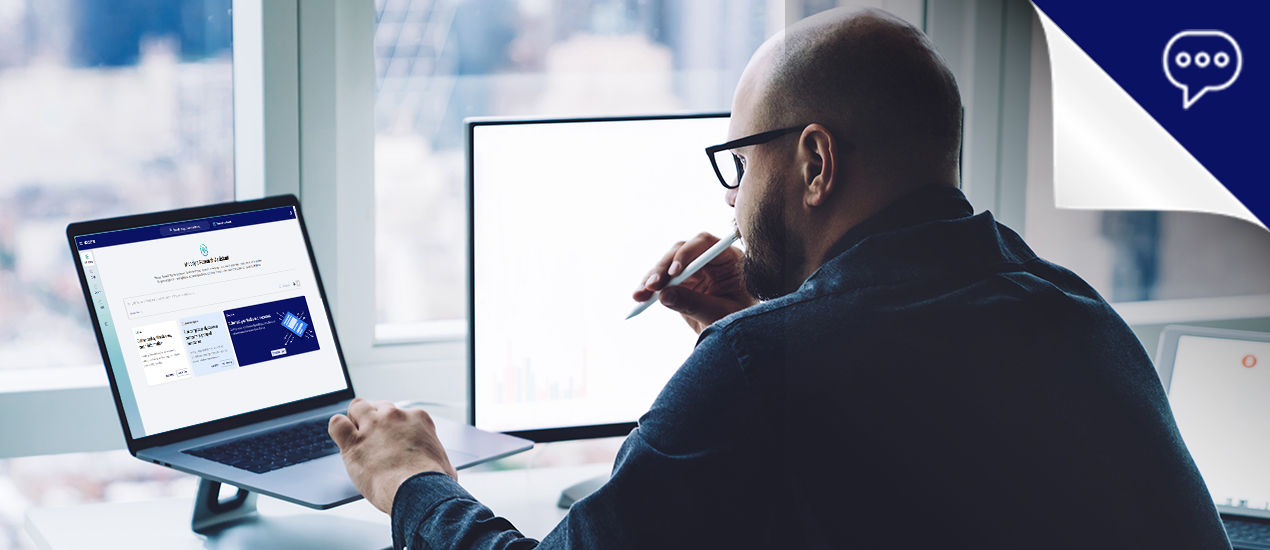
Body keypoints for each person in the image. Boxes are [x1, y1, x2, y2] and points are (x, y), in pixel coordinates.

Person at [328, 8, 1231, 549]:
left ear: (812, 162)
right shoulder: (1069, 306)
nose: (731, 204)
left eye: (740, 161)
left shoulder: (770, 364)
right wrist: (769, 319)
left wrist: (413, 477)